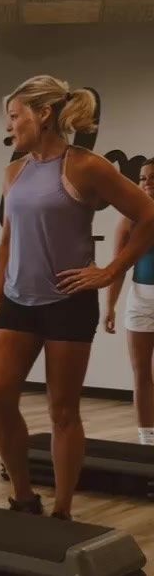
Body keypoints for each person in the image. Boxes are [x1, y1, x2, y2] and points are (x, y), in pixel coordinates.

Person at [0, 76, 154, 519]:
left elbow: (147, 214)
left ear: (43, 115)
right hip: (17, 301)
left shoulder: (86, 165)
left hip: (67, 301)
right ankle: (23, 497)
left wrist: (110, 271)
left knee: (62, 411)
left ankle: (62, 510)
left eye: (15, 115)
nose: (10, 125)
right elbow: (7, 237)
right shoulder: (13, 172)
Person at [105, 158, 154, 443]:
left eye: (153, 178)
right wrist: (109, 306)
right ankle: (147, 439)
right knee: (141, 373)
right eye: (143, 178)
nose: (147, 183)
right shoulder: (128, 219)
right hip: (140, 300)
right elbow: (118, 267)